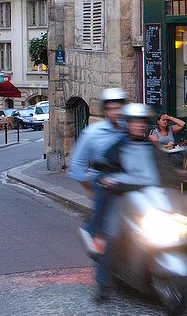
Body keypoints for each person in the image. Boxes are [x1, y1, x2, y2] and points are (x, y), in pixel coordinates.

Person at [89, 102, 162, 302]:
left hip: (149, 197)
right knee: (112, 235)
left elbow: (163, 165)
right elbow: (105, 165)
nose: (139, 126)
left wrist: (177, 169)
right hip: (123, 198)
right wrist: (107, 177)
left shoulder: (150, 146)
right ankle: (103, 284)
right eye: (134, 122)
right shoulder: (118, 147)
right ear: (127, 124)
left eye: (142, 122)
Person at [68, 88, 129, 247]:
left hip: (129, 182)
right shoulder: (93, 133)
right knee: (107, 235)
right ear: (105, 110)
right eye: (111, 108)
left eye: (118, 108)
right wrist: (91, 187)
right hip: (104, 182)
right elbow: (76, 164)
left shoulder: (130, 129)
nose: (115, 112)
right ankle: (96, 235)